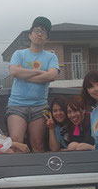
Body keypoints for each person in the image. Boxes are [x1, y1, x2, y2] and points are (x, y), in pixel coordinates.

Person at [6, 16, 59, 152]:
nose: (39, 34)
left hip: (40, 106)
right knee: (16, 141)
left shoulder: (51, 57)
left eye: (43, 32)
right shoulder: (19, 54)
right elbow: (14, 71)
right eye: (37, 31)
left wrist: (23, 74)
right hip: (17, 105)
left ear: (47, 38)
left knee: (38, 144)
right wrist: (40, 72)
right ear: (30, 35)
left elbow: (52, 76)